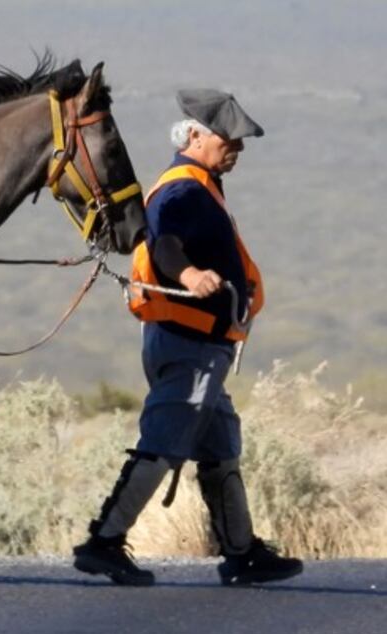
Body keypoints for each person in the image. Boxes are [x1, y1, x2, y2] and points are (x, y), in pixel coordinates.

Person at [72, 89, 303, 587]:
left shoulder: (202, 186)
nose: (237, 148)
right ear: (195, 136)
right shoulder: (183, 191)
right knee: (164, 440)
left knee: (221, 445)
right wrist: (190, 274)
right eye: (229, 139)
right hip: (190, 344)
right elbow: (165, 245)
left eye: (240, 141)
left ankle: (241, 554)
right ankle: (103, 542)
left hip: (201, 346)